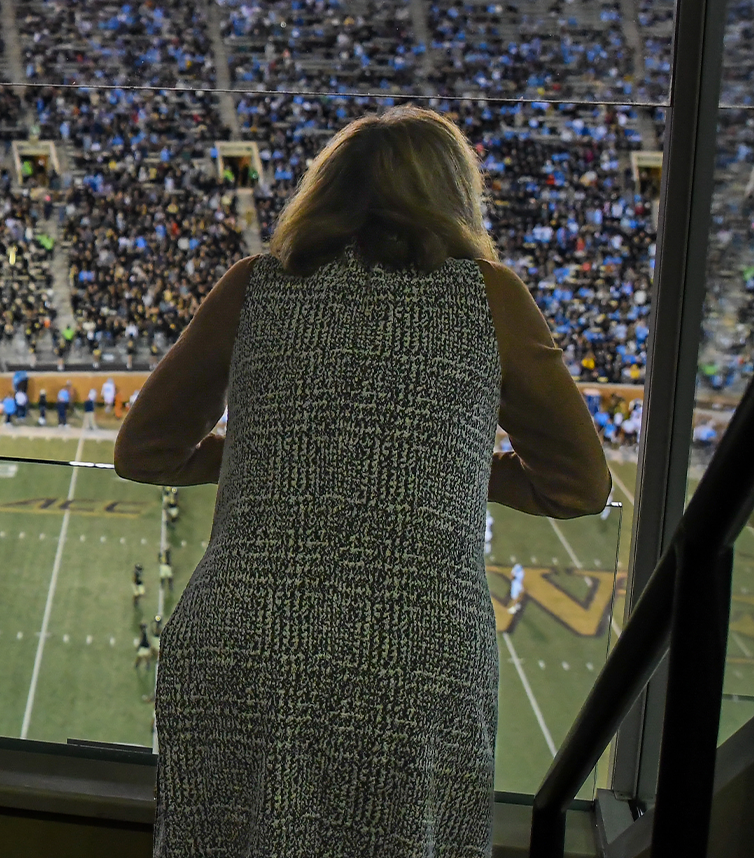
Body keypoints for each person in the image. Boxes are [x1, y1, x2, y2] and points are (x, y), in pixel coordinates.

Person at [114, 107, 610, 857]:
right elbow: (578, 487)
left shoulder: (255, 286)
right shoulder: (490, 296)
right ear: (452, 195)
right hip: (413, 659)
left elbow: (144, 451)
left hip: (241, 643)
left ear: (326, 190)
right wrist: (434, 467)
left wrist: (278, 458)